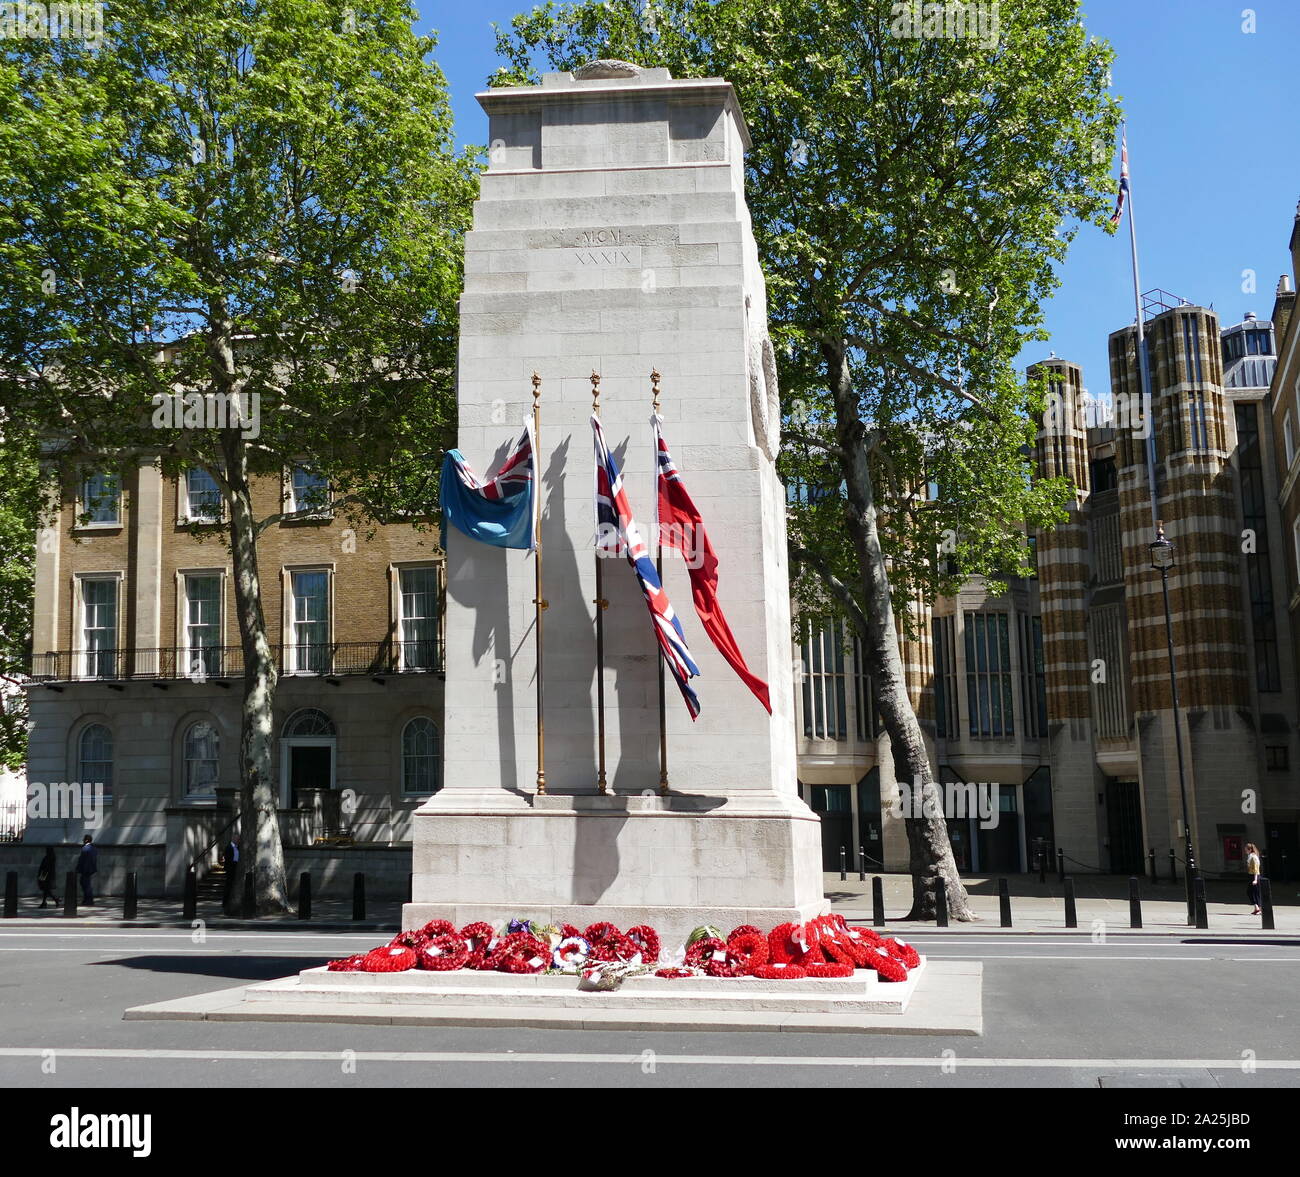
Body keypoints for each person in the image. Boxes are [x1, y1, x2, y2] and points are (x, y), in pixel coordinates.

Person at [75, 834, 98, 906]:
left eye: (83, 839)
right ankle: (87, 899)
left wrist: (78, 869)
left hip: (85, 869)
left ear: (86, 840)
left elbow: (82, 860)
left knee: (85, 884)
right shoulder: (94, 848)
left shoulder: (85, 848)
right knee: (86, 884)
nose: (82, 841)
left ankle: (88, 899)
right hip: (91, 869)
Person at [1245, 841, 1262, 916]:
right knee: (1252, 892)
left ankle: (1258, 908)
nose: (1245, 851)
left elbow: (1256, 869)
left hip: (1255, 876)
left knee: (1253, 892)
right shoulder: (1250, 856)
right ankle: (1257, 908)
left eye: (1246, 849)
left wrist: (1255, 879)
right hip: (1251, 876)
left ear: (1250, 849)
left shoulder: (1253, 857)